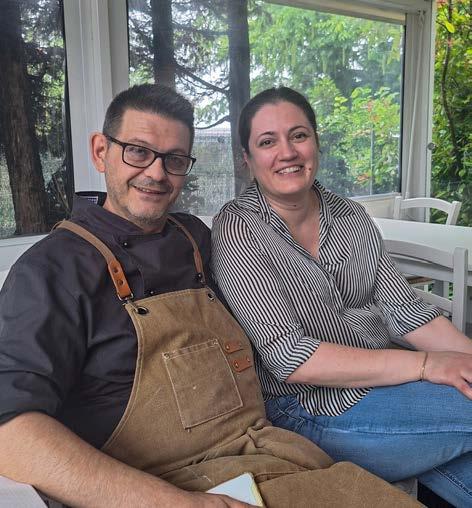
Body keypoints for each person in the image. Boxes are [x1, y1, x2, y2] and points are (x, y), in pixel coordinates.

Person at [0, 84, 418, 507]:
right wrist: (180, 504)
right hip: (154, 487)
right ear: (100, 151)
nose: (156, 174)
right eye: (138, 152)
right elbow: (9, 431)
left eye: (174, 159)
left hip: (266, 453)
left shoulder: (195, 238)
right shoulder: (52, 269)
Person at [211, 86, 472, 508]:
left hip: (389, 385)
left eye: (298, 135)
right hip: (308, 409)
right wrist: (427, 365)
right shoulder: (238, 229)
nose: (287, 152)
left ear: (316, 142)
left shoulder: (351, 215)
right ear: (247, 158)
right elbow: (290, 358)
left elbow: (407, 311)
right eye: (267, 142)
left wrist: (466, 356)